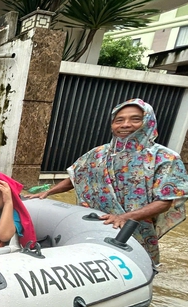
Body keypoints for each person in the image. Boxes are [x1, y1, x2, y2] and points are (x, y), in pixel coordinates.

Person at [25, 98, 188, 265]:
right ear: (112, 125)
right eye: (119, 120)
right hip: (95, 223)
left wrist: (126, 217)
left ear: (149, 121)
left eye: (135, 119)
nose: (125, 124)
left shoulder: (165, 158)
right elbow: (76, 177)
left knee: (138, 266)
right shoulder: (99, 154)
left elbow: (165, 201)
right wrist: (49, 192)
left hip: (135, 226)